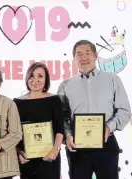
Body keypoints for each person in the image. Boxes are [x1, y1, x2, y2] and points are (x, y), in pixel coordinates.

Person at [58, 40, 131, 179]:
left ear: (95, 55)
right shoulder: (65, 85)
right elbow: (61, 117)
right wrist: (68, 135)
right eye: (79, 54)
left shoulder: (113, 80)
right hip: (77, 146)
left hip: (106, 143)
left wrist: (109, 127)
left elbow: (124, 111)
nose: (84, 57)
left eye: (87, 53)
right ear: (74, 59)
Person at [13, 62, 64, 179]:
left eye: (40, 76)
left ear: (46, 80)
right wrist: (18, 153)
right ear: (27, 78)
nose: (35, 80)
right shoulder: (17, 102)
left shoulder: (54, 100)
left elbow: (59, 128)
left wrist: (55, 150)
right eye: (32, 75)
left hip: (49, 156)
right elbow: (13, 132)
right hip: (26, 159)